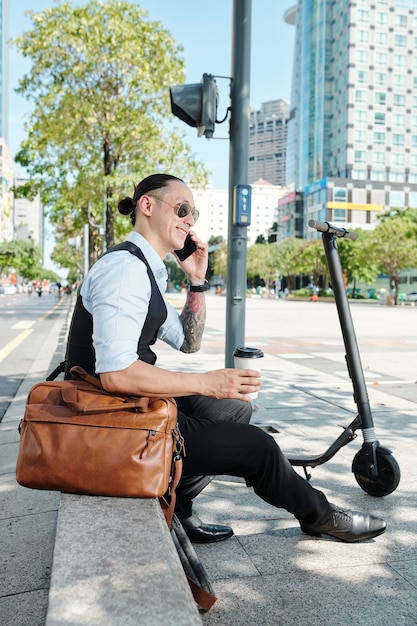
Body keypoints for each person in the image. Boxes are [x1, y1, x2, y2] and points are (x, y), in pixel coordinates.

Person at [65, 173, 386, 545]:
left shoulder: (144, 270)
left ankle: (177, 509)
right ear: (147, 206)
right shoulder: (123, 271)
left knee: (232, 409)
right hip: (108, 420)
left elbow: (188, 341)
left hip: (130, 406)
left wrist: (197, 281)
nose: (189, 220)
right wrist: (207, 382)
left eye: (194, 213)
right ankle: (321, 516)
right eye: (182, 209)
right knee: (257, 447)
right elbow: (117, 374)